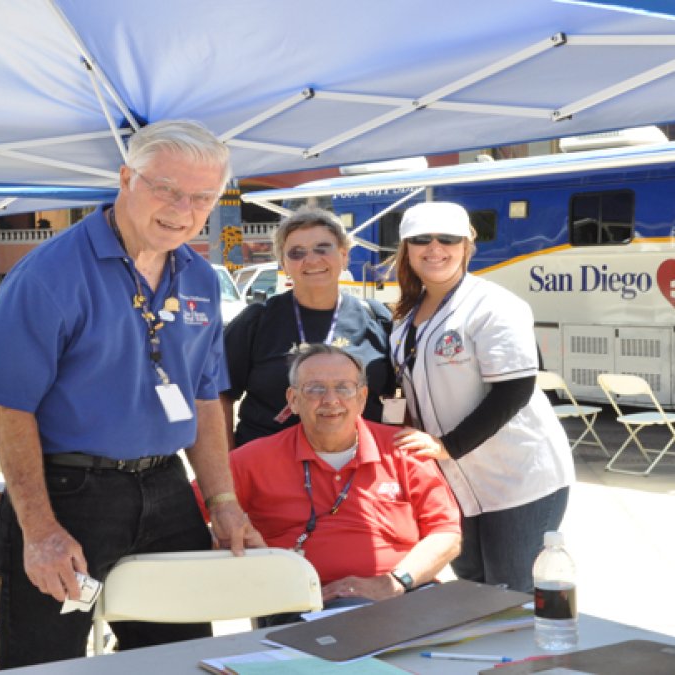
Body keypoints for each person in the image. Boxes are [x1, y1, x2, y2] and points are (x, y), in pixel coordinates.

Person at [0, 120, 262, 669]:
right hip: (69, 495)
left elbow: (207, 397)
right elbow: (6, 408)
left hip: (166, 489)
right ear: (126, 178)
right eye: (167, 189)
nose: (183, 209)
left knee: (178, 657)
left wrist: (223, 502)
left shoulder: (198, 277)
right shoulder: (49, 273)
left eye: (201, 197)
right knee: (48, 663)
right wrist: (41, 529)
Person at [388, 201, 574, 592]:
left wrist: (447, 445)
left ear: (467, 244)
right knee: (473, 589)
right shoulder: (407, 315)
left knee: (512, 593)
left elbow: (515, 390)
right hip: (455, 481)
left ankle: (529, 657)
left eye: (447, 238)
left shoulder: (493, 305)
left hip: (517, 479)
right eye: (421, 239)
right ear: (406, 247)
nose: (434, 248)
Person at [212, 343, 460, 617]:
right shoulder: (253, 459)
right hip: (301, 605)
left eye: (343, 388)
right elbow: (191, 515)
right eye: (315, 389)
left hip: (405, 592)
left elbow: (446, 533)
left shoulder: (402, 449)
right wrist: (234, 542)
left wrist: (393, 583)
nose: (331, 400)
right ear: (293, 400)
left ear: (362, 398)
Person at [222, 208, 394, 448]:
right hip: (269, 467)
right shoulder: (256, 321)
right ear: (283, 263)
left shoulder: (377, 318)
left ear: (344, 255)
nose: (312, 259)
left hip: (355, 466)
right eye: (296, 253)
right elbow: (219, 396)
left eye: (323, 248)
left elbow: (396, 395)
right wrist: (228, 464)